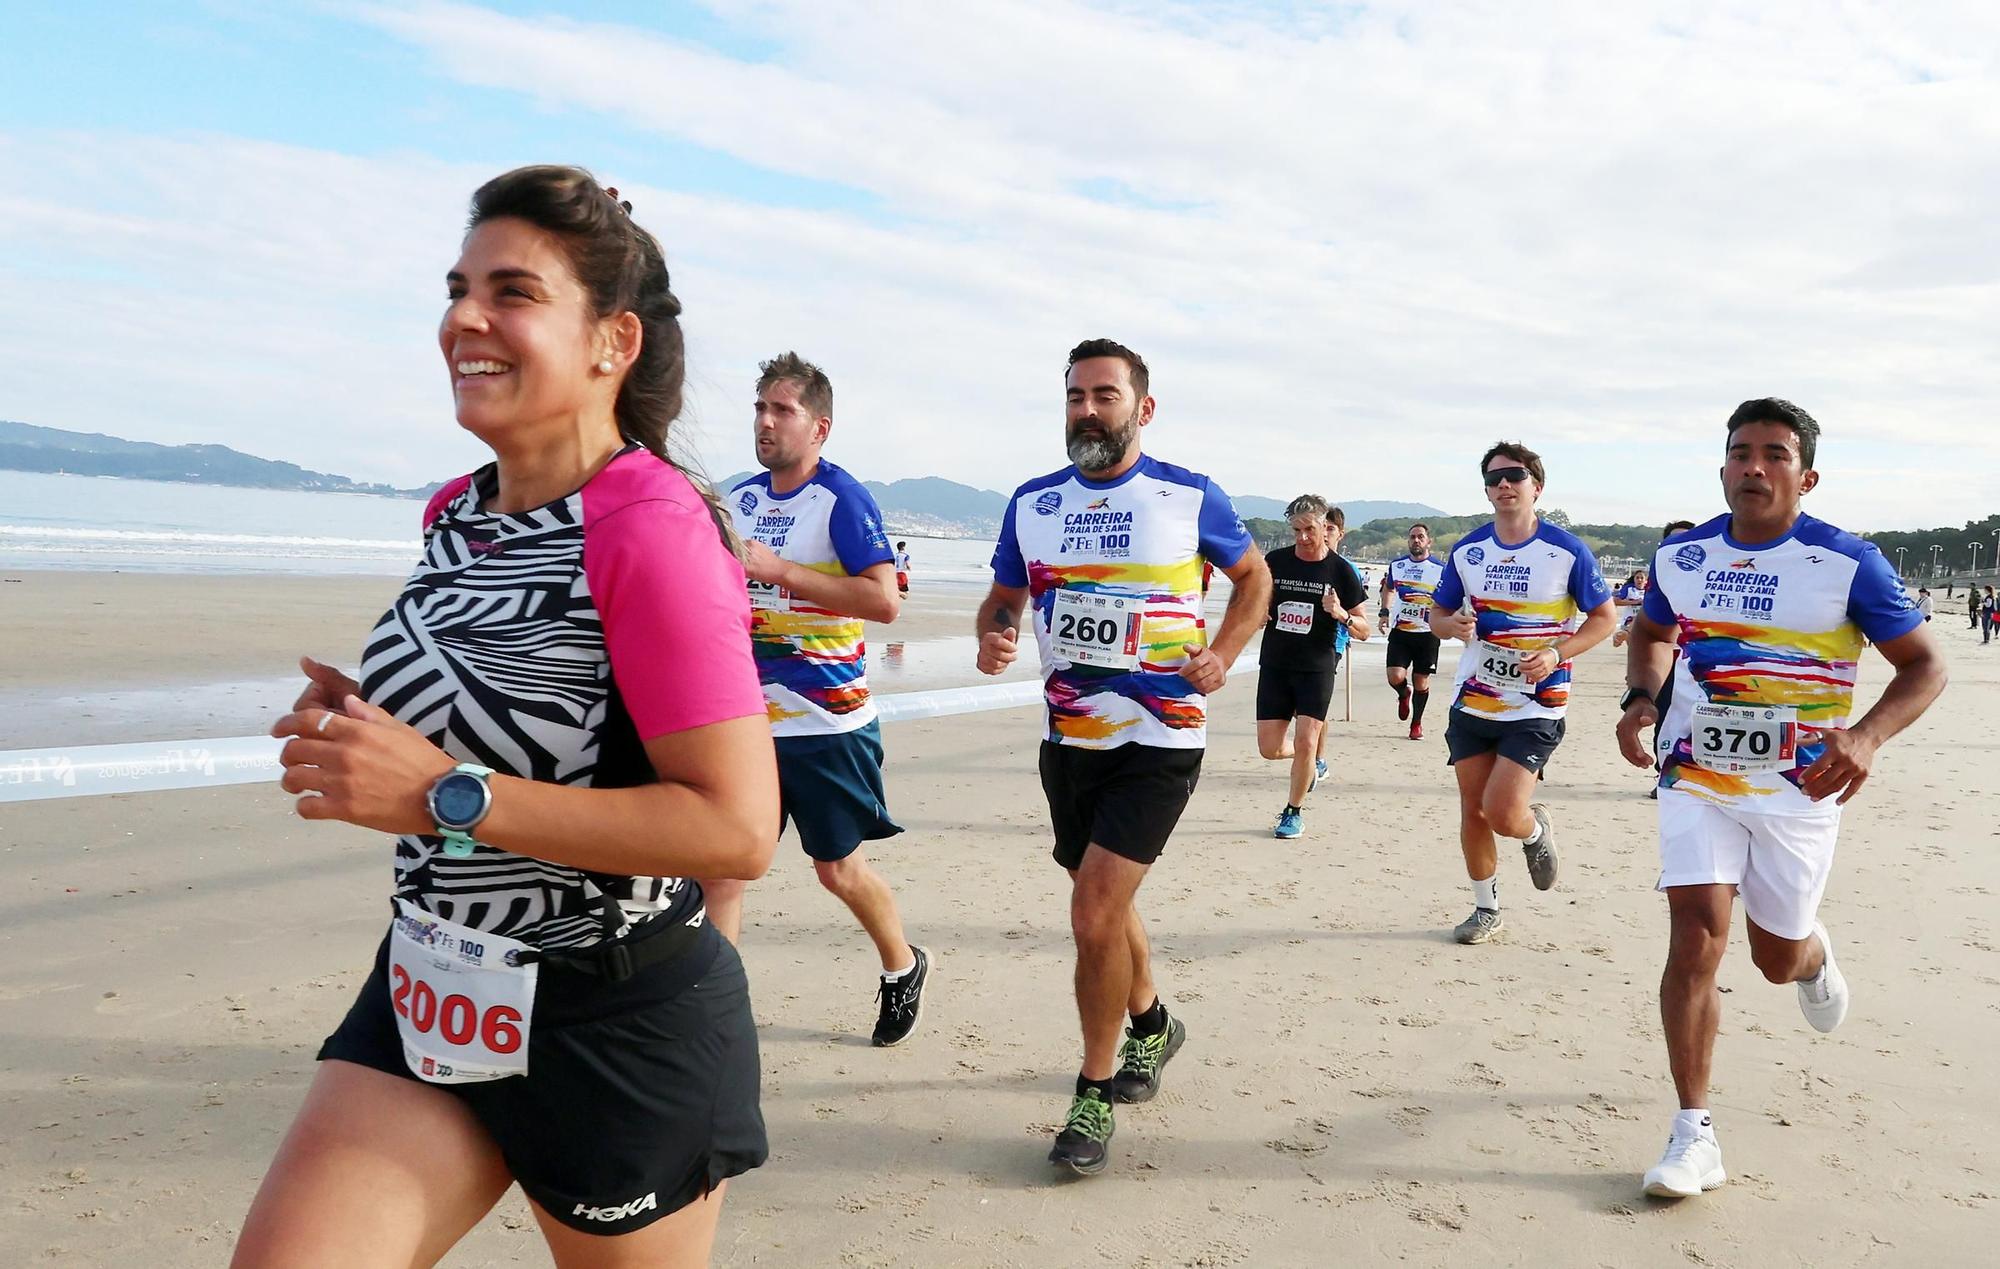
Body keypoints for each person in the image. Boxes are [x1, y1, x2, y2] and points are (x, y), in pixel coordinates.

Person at [236, 167, 776, 1266]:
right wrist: (371, 726)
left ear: (609, 343)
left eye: (512, 291)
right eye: (457, 285)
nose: (462, 319)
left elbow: (733, 831)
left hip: (613, 1023)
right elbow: (512, 709)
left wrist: (439, 791)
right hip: (434, 985)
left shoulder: (651, 530)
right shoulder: (456, 509)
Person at [1614, 397, 1944, 1200]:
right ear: (1722, 466)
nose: (1753, 467)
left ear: (1807, 474)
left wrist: (1863, 738)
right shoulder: (1682, 559)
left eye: (1773, 454)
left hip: (1802, 787)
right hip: (1696, 773)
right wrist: (1642, 701)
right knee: (1695, 934)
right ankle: (1694, 1133)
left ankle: (1813, 955)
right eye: (1739, 452)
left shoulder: (1847, 562)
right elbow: (1653, 634)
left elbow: (1925, 665)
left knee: (1771, 957)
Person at [975, 338, 1271, 1177]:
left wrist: (1223, 652)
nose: (1087, 409)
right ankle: (1153, 1023)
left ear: (1141, 409)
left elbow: (1254, 581)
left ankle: (1093, 1092)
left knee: (1093, 909)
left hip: (1161, 733)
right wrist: (993, 634)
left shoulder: (1186, 496)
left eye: (1105, 395)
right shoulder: (1032, 503)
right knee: (1103, 901)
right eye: (1075, 395)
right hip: (1070, 738)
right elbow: (1004, 598)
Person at [714, 352, 932, 1048]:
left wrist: (781, 571)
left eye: (782, 410)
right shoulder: (740, 499)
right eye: (760, 408)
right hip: (745, 721)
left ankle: (902, 964)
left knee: (836, 868)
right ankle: (711, 1017)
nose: (766, 421)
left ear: (820, 426)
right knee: (723, 866)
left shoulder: (841, 499)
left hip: (826, 721)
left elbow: (883, 600)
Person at [1429, 442, 1615, 946]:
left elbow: (1604, 619)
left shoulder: (1566, 550)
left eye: (1514, 476)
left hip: (1537, 702)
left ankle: (1533, 830)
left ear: (1537, 485)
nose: (1504, 485)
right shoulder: (1468, 550)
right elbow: (1437, 617)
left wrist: (1558, 653)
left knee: (1503, 811)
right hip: (1473, 700)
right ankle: (1486, 909)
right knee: (1473, 810)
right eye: (1493, 479)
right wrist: (1454, 625)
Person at [1256, 495, 1371, 838]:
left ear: (1325, 527)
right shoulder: (1275, 561)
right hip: (1276, 664)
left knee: (1306, 741)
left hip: (1317, 666)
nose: (1303, 537)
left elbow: (1365, 630)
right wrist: (1259, 611)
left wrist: (1341, 614)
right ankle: (1305, 762)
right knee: (1270, 749)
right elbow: (1254, 598)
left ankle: (1293, 811)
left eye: (1310, 529)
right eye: (1296, 530)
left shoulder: (1340, 570)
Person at [1381, 523, 1446, 740]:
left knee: (1421, 681)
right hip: (1401, 630)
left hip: (1428, 633)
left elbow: (1449, 598)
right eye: (1412, 537)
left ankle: (1416, 723)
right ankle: (1403, 692)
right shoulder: (1397, 565)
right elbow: (1389, 588)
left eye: (1420, 537)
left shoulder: (1440, 569)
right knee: (1395, 676)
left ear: (1429, 541)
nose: (1416, 540)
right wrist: (1383, 612)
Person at [1610, 568, 1649, 647]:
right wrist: (1635, 602)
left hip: (1643, 622)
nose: (1639, 580)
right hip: (1628, 621)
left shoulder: (1650, 591)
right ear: (1634, 579)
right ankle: (1619, 636)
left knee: (1641, 647)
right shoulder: (1629, 589)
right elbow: (1616, 601)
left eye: (1642, 578)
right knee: (1632, 647)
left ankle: (1620, 636)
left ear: (1646, 581)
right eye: (1637, 578)